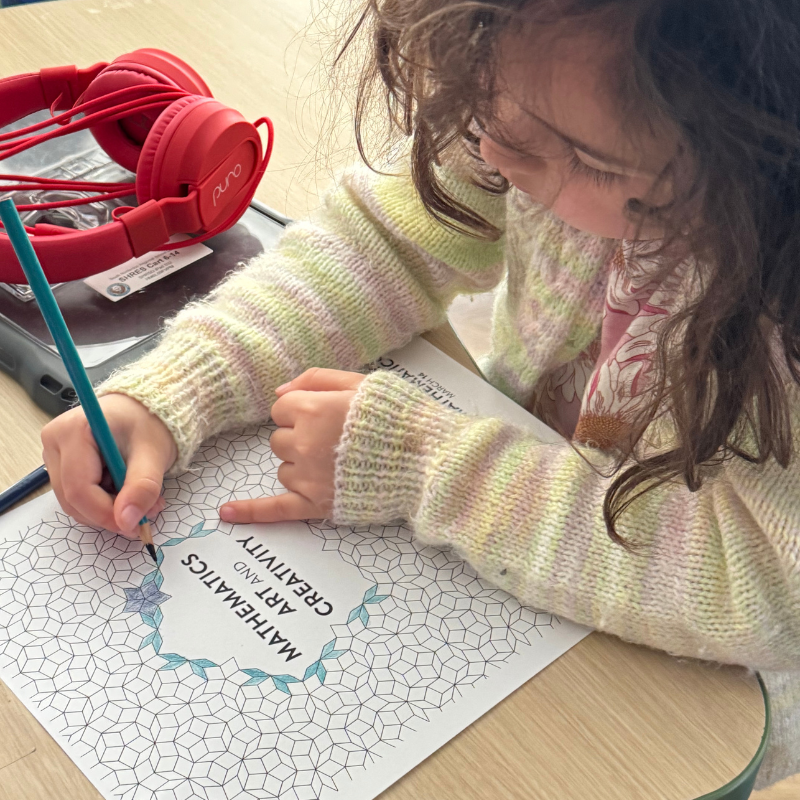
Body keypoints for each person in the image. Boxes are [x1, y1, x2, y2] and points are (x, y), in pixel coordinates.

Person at [41, 0, 799, 787]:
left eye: (590, 161)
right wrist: (179, 387)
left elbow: (771, 586)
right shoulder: (529, 87)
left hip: (698, 693)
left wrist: (425, 464)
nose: (498, 156)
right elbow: (383, 245)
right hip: (507, 546)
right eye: (480, 114)